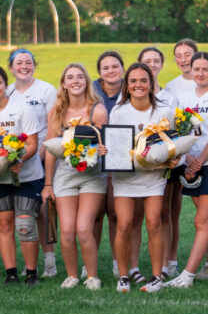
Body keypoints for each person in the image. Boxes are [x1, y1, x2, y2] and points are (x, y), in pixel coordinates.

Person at [165, 52, 208, 288]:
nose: (201, 73)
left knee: (202, 221)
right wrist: (188, 158)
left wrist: (200, 160)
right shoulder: (183, 97)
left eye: (206, 69)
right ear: (191, 70)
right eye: (197, 69)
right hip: (191, 163)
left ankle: (187, 275)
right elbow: (182, 131)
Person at [108, 63, 178, 293]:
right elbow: (115, 145)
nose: (138, 85)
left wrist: (173, 158)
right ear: (127, 85)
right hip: (126, 178)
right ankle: (124, 276)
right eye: (133, 81)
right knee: (125, 224)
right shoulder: (118, 111)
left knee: (154, 223)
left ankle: (157, 277)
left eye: (143, 80)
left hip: (153, 176)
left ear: (151, 84)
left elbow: (172, 143)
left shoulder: (164, 111)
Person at [0, 65, 44, 285]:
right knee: (4, 225)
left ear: (5, 84)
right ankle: (11, 273)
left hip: (27, 176)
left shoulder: (21, 108)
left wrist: (20, 159)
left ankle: (31, 273)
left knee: (25, 225)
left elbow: (33, 142)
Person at [42, 63, 108, 290]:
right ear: (64, 84)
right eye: (70, 77)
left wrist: (103, 150)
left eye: (80, 76)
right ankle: (71, 276)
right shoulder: (56, 112)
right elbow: (51, 150)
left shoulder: (97, 110)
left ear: (87, 82)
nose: (75, 80)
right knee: (67, 230)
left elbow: (106, 145)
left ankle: (92, 276)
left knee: (83, 228)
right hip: (65, 175)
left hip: (92, 176)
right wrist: (48, 183)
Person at [6, 48, 59, 278]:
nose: (24, 66)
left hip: (43, 157)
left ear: (34, 65)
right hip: (16, 162)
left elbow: (52, 127)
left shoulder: (46, 90)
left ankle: (50, 261)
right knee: (21, 213)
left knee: (46, 211)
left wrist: (36, 155)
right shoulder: (6, 91)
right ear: (11, 68)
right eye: (19, 63)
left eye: (28, 62)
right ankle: (24, 264)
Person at [131, 46, 175, 283]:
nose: (152, 64)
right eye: (147, 60)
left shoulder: (169, 98)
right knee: (135, 218)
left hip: (160, 169)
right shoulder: (126, 99)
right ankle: (133, 267)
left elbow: (174, 135)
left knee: (160, 216)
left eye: (156, 60)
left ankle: (165, 265)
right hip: (134, 170)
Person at [91, 51, 124, 276]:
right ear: (99, 72)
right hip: (93, 156)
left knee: (114, 213)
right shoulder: (91, 90)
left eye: (115, 66)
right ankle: (89, 262)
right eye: (106, 67)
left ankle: (116, 260)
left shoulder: (130, 88)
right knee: (93, 214)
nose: (111, 70)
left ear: (123, 68)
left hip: (120, 157)